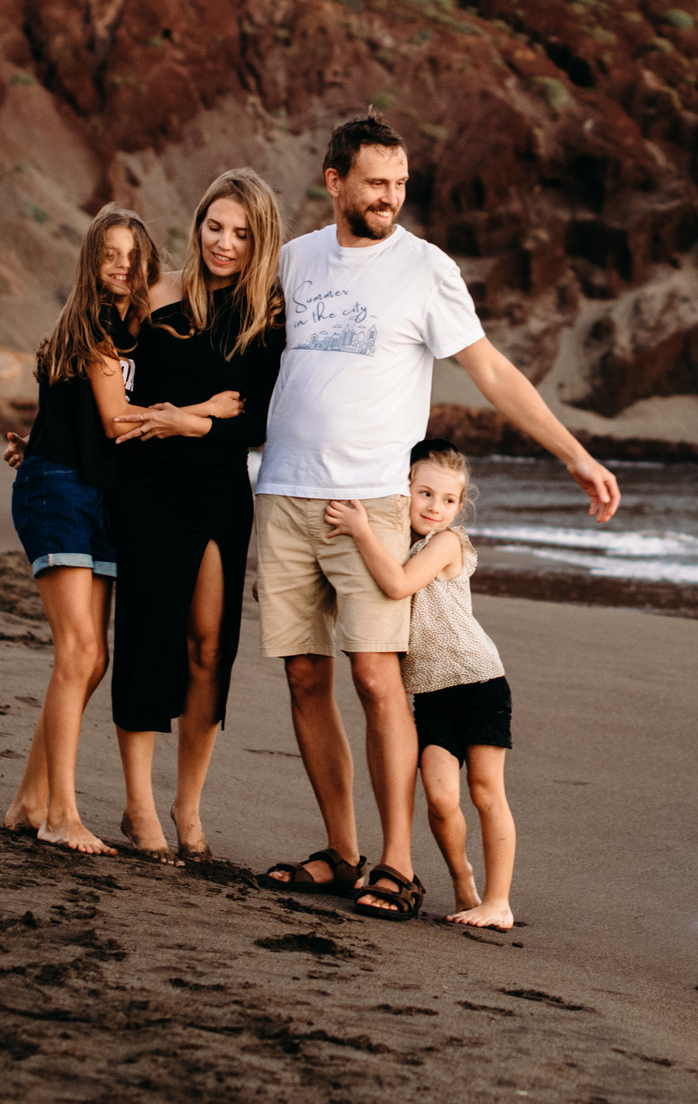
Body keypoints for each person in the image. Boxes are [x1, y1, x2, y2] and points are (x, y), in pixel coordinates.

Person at [251, 109, 619, 923]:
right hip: (282, 495)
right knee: (303, 673)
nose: (390, 197)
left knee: (378, 677)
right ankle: (342, 852)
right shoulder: (294, 260)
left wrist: (575, 452)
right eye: (376, 183)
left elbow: (490, 369)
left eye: (401, 184)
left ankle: (396, 862)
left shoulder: (426, 269)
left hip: (374, 501)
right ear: (335, 180)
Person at [106, 169, 284, 864]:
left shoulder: (266, 316)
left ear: (259, 238)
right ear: (198, 221)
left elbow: (260, 420)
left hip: (218, 491)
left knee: (211, 647)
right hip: (147, 486)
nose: (224, 242)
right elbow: (103, 374)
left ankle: (187, 803)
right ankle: (138, 804)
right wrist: (51, 438)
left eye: (241, 232)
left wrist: (191, 422)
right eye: (215, 225)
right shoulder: (153, 294)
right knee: (149, 635)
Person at [0, 204, 159, 856]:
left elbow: (67, 416)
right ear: (92, 262)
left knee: (92, 660)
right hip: (60, 492)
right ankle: (61, 814)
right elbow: (118, 420)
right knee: (80, 652)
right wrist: (200, 413)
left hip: (96, 495)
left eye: (133, 256)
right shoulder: (93, 324)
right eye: (110, 254)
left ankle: (29, 800)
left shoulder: (129, 329)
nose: (122, 266)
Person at [323, 441, 515, 927]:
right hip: (430, 694)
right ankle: (461, 879)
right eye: (425, 493)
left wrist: (360, 529)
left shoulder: (448, 544)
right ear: (404, 489)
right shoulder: (398, 542)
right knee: (440, 797)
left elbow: (397, 586)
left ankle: (498, 902)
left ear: (460, 504)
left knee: (486, 792)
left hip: (478, 682)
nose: (435, 507)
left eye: (448, 500)